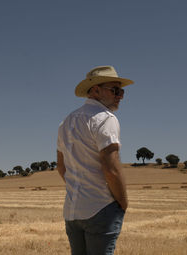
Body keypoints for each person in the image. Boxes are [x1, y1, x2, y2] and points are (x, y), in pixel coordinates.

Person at [57, 65, 134, 255]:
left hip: (72, 212)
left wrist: (79, 189)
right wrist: (123, 203)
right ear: (95, 90)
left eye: (122, 91)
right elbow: (111, 169)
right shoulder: (105, 119)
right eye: (115, 90)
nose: (121, 96)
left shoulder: (66, 122)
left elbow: (61, 166)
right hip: (101, 208)